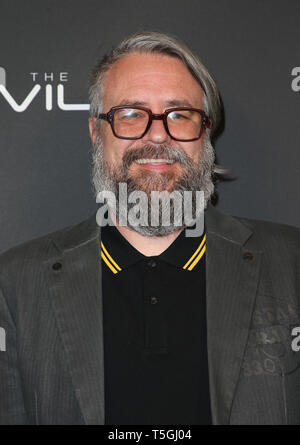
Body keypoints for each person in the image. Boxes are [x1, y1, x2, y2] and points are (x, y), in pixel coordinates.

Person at [0, 31, 299, 425]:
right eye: (130, 114)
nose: (157, 135)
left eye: (179, 115)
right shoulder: (17, 284)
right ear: (96, 133)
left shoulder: (291, 263)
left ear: (204, 134)